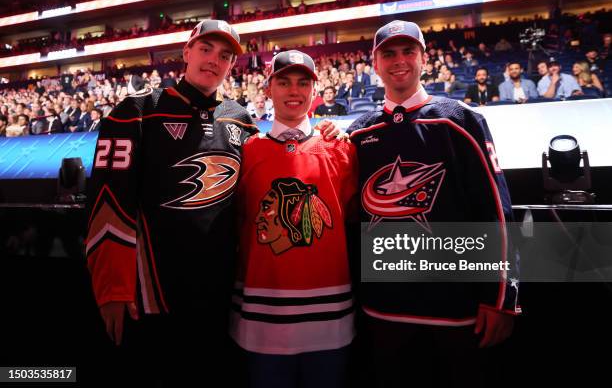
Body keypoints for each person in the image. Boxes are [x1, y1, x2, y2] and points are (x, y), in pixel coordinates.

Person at [85, 19, 338, 384]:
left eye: (224, 56)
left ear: (232, 66)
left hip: (220, 291)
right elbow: (108, 202)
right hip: (153, 292)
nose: (213, 61)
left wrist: (328, 131)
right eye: (205, 49)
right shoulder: (136, 111)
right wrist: (112, 286)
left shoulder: (243, 121)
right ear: (186, 53)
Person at [346, 20, 520, 387]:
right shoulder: (358, 133)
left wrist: (502, 296)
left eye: (408, 51)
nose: (399, 61)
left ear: (424, 58)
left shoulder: (461, 120)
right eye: (388, 53)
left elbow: (496, 212)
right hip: (383, 310)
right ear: (374, 64)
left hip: (456, 311)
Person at [230, 50, 358, 388]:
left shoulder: (342, 149)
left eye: (303, 83)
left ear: (315, 92)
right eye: (283, 82)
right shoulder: (247, 151)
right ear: (268, 89)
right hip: (263, 313)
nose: (293, 91)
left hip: (330, 315)